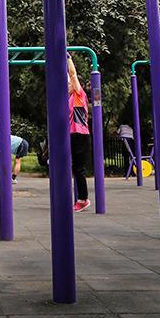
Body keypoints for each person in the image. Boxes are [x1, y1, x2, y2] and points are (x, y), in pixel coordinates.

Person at [68, 54, 92, 212]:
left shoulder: (79, 95)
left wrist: (68, 59)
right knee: (71, 167)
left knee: (78, 169)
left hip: (80, 135)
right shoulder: (68, 97)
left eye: (70, 84)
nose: (68, 84)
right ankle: (80, 198)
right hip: (72, 135)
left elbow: (72, 75)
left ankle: (83, 199)